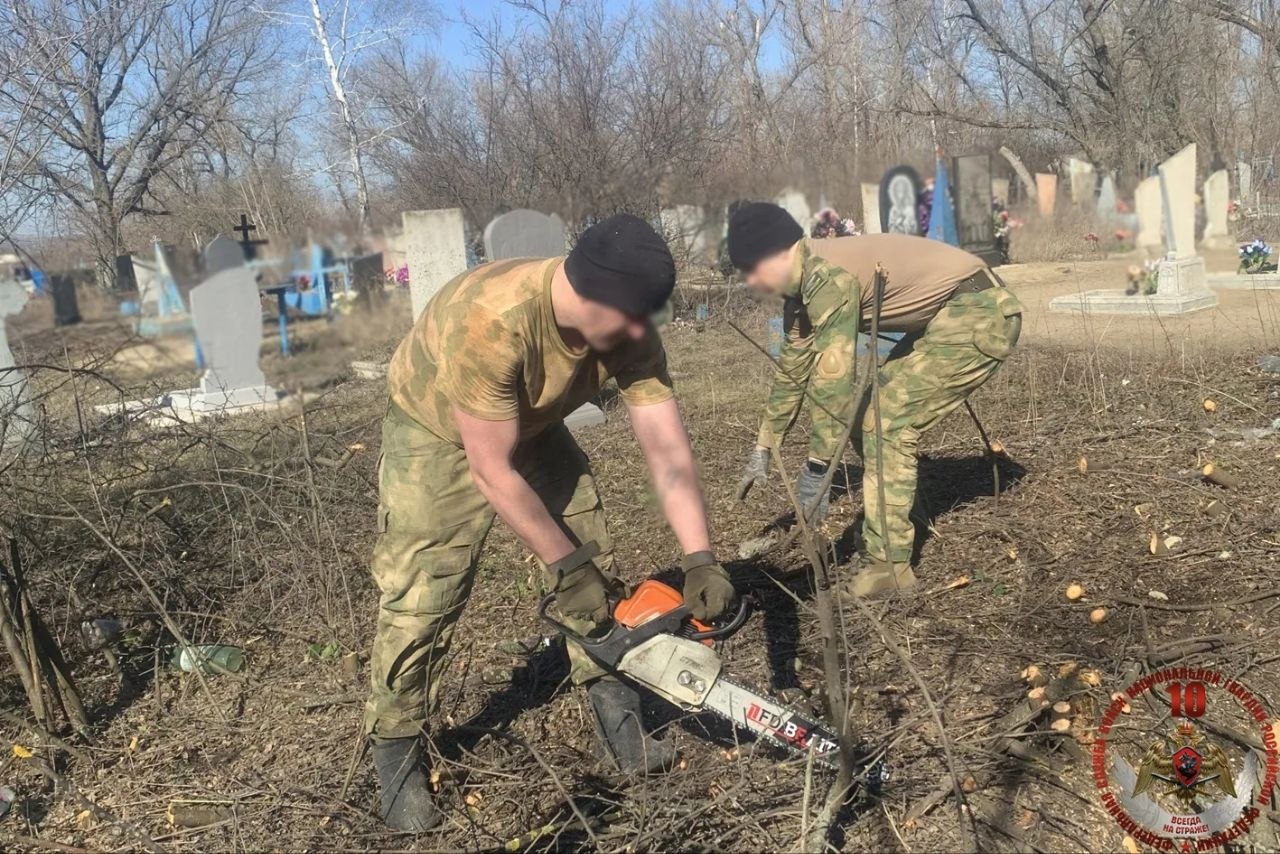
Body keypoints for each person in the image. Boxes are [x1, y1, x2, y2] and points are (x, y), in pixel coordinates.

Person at [368, 214, 735, 830]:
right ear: (589, 296)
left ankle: (612, 702)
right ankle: (397, 748)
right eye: (631, 320)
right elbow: (490, 467)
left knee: (590, 548)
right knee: (424, 587)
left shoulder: (629, 321)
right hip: (436, 431)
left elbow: (667, 448)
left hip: (530, 422)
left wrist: (699, 555)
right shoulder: (492, 320)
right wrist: (562, 566)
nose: (643, 334)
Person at [728, 202, 1023, 599]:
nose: (752, 283)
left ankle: (890, 567)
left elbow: (833, 382)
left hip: (979, 311)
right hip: (944, 316)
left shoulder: (827, 279)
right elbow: (794, 370)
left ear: (777, 254)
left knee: (885, 423)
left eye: (752, 270)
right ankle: (903, 515)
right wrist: (765, 444)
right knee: (866, 416)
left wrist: (818, 468)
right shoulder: (800, 295)